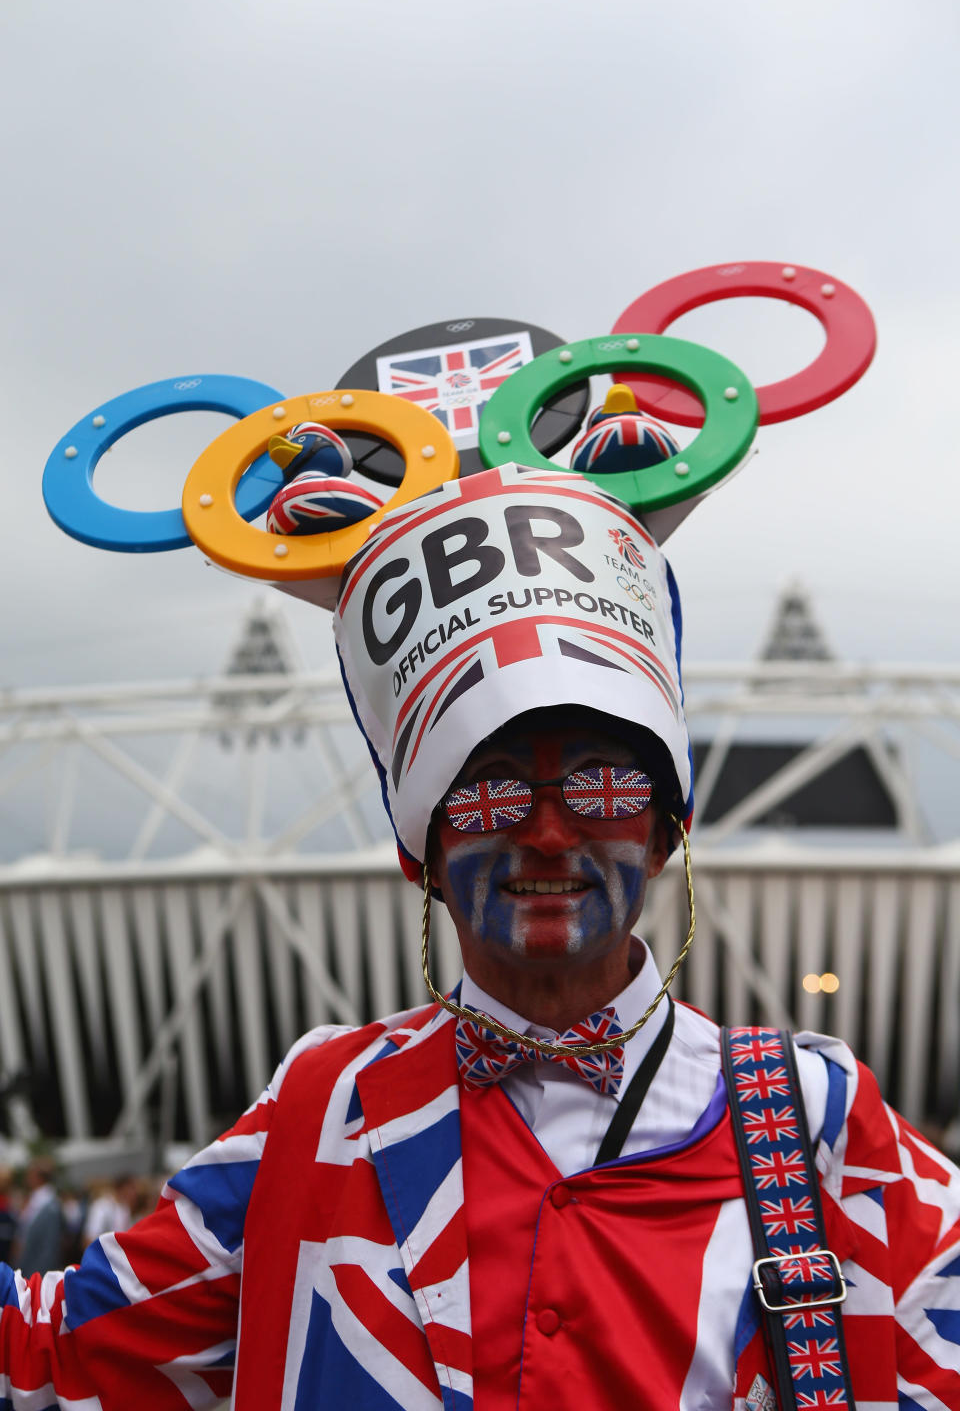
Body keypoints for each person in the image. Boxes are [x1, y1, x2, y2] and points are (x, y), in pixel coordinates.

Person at [0, 467, 957, 1409]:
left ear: (665, 834)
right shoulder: (326, 1107)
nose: (548, 832)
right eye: (492, 785)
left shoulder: (814, 1116)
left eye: (603, 785)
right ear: (422, 849)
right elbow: (57, 1354)